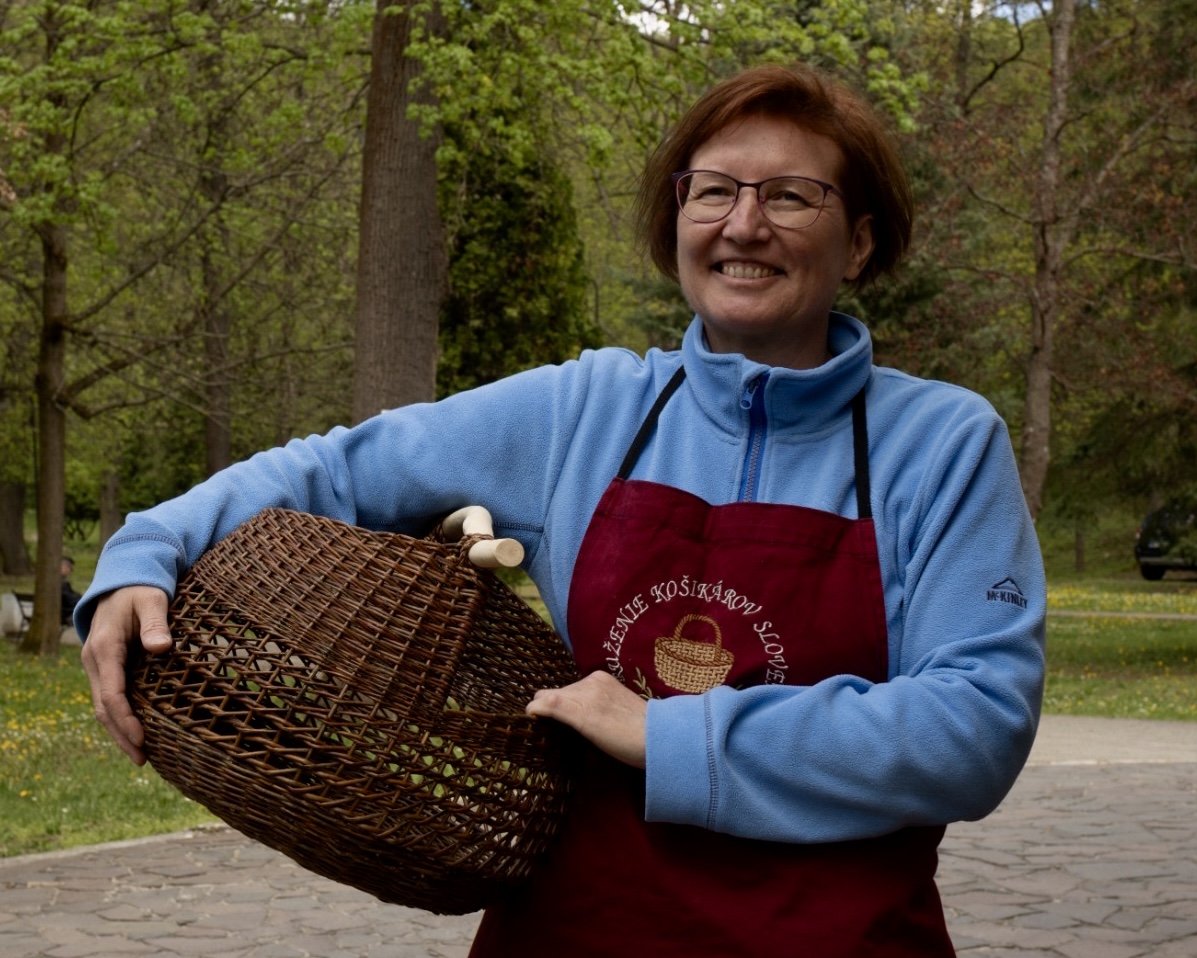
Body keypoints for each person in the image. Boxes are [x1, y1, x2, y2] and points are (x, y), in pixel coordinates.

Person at [78, 63, 1045, 956]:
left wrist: (670, 737)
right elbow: (334, 470)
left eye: (790, 196)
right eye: (712, 190)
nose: (743, 225)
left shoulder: (939, 442)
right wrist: (145, 550)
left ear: (859, 241)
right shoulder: (583, 411)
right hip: (577, 930)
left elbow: (974, 727)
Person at [61, 556, 82, 626]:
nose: (70, 571)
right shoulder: (60, 583)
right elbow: (69, 599)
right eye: (70, 568)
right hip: (64, 615)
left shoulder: (62, 582)